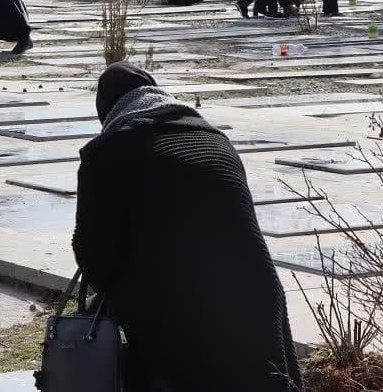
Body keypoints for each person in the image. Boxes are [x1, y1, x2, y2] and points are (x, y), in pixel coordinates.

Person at [73, 62, 302, 391]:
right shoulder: (215, 139)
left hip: (178, 312)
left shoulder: (107, 151)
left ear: (105, 108)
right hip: (254, 294)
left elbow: (93, 252)